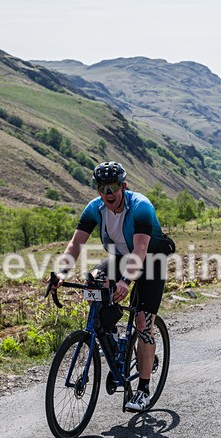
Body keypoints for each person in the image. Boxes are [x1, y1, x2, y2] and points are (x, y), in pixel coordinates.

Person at [57, 161, 174, 411]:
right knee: (93, 280)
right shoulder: (95, 209)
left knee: (143, 322)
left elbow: (141, 250)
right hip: (121, 258)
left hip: (151, 260)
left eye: (112, 188)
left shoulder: (140, 206)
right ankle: (110, 337)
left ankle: (143, 390)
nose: (108, 194)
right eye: (102, 188)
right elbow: (75, 244)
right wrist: (61, 271)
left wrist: (125, 281)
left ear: (123, 186)